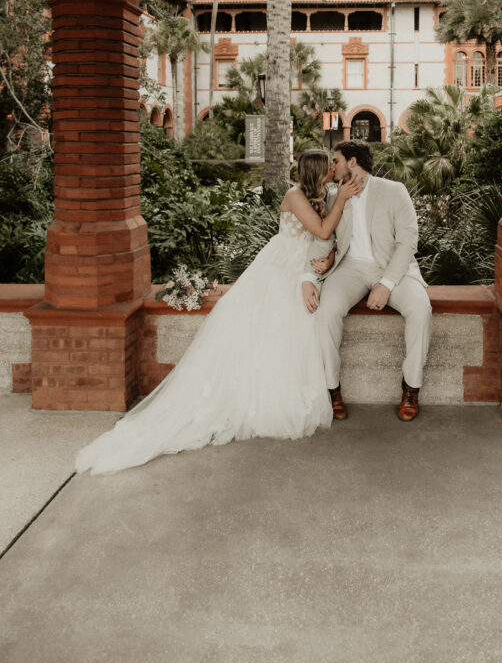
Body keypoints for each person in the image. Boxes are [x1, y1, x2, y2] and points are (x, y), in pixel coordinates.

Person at [76, 150, 363, 475]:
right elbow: (323, 230)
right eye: (328, 168)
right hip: (279, 270)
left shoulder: (322, 196)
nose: (332, 172)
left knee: (292, 334)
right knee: (271, 330)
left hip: (300, 270)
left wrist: (329, 256)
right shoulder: (294, 195)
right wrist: (340, 205)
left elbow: (325, 238)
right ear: (316, 172)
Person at [301, 141, 432, 422]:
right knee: (326, 312)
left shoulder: (394, 191)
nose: (331, 167)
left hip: (392, 268)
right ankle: (332, 389)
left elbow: (408, 241)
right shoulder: (334, 196)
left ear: (351, 162)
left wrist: (386, 284)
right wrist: (309, 276)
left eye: (335, 161)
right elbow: (324, 238)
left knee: (420, 309)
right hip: (349, 269)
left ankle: (411, 387)